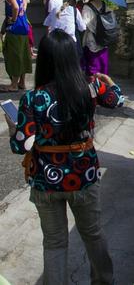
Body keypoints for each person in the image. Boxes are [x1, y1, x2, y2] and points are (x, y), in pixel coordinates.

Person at [5, 29, 122, 285]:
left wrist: (14, 129)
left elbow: (22, 145)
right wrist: (111, 84)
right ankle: (103, 280)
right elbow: (117, 101)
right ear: (73, 57)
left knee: (55, 242)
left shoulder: (33, 98)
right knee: (92, 232)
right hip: (84, 174)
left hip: (46, 180)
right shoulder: (91, 88)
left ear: (44, 60)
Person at [0, 0, 32, 92]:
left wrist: (13, 19)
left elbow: (16, 7)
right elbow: (24, 4)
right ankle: (22, 83)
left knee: (13, 55)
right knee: (23, 54)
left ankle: (13, 85)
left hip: (14, 29)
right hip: (23, 28)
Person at [81, 0, 110, 76]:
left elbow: (83, 25)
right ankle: (104, 83)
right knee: (103, 63)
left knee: (93, 64)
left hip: (92, 37)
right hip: (104, 36)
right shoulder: (104, 4)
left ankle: (94, 85)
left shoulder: (87, 7)